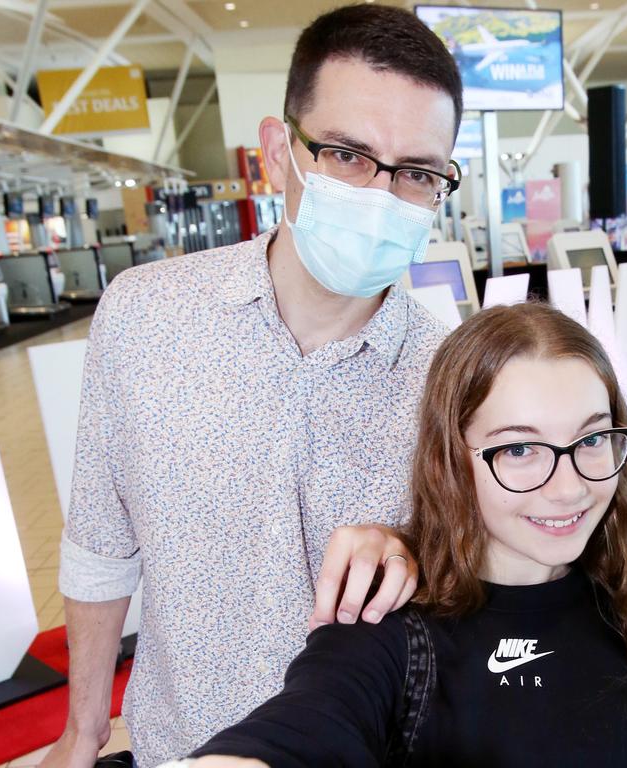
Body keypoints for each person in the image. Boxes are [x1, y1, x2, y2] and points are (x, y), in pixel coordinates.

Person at [44, 6, 464, 766]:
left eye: (418, 173)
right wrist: (83, 729)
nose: (380, 193)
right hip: (183, 745)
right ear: (279, 151)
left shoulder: (455, 378)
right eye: (346, 154)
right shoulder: (145, 317)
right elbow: (101, 544)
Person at [168, 303, 627, 767]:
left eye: (592, 438)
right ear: (451, 459)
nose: (568, 488)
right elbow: (300, 725)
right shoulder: (390, 632)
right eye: (519, 449)